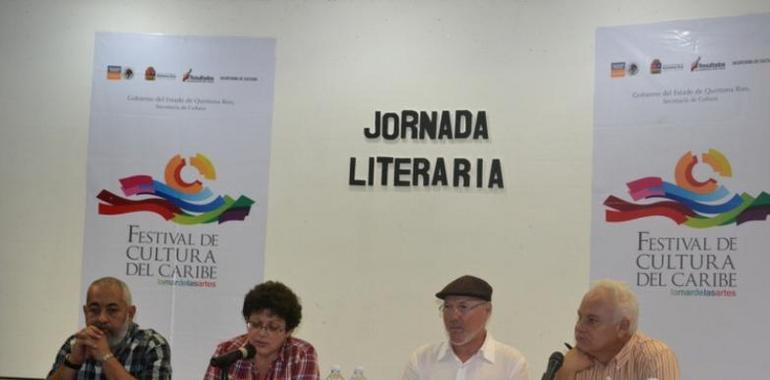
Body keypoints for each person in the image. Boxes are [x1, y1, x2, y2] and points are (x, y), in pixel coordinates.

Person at [401, 275, 529, 380]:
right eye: (448, 307)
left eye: (463, 307)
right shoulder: (422, 360)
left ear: (487, 310)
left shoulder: (510, 363)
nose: (453, 317)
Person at [46, 276, 172, 380]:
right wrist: (72, 362)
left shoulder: (152, 345)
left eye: (112, 310)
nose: (102, 319)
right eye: (94, 310)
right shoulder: (75, 343)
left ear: (130, 313)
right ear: (85, 312)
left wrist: (106, 356)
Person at [554, 279, 680, 380]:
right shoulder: (572, 362)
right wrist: (564, 372)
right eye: (580, 317)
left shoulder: (654, 357)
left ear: (622, 327)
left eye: (591, 320)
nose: (579, 327)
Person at [203, 280, 319, 380]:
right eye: (256, 324)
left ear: (289, 331)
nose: (262, 333)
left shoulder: (301, 355)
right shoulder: (227, 351)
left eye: (273, 327)